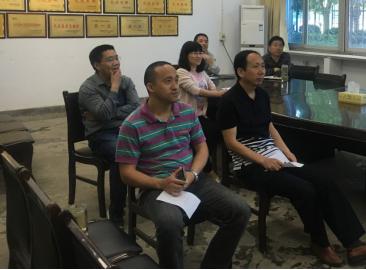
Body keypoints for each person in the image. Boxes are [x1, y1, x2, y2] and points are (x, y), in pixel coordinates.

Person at [217, 51, 366, 267]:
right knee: (304, 190)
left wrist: (286, 151)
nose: (262, 71)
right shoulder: (229, 101)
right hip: (250, 165)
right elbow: (231, 143)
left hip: (274, 156)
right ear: (240, 71)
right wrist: (263, 161)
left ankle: (354, 244)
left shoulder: (261, 94)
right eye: (256, 67)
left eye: (262, 65)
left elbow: (270, 127)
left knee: (325, 182)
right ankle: (320, 243)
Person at [116, 62, 251, 269]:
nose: (175, 86)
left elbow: (202, 149)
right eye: (167, 81)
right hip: (155, 188)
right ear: (150, 87)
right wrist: (160, 183)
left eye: (176, 80)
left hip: (192, 180)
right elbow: (126, 174)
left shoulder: (187, 112)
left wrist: (193, 174)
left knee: (240, 210)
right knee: (170, 223)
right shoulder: (132, 125)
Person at [78, 45, 141, 228]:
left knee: (153, 143)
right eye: (110, 59)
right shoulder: (88, 88)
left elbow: (136, 108)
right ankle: (116, 211)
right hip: (101, 135)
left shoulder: (127, 81)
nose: (116, 62)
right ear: (97, 65)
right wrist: (114, 87)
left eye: (116, 57)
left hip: (126, 129)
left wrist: (112, 114)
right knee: (120, 154)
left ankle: (149, 196)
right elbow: (103, 114)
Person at [177, 41, 227, 182]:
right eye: (195, 53)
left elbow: (211, 84)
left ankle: (199, 162)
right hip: (186, 116)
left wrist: (213, 90)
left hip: (200, 115)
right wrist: (217, 94)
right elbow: (194, 90)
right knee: (213, 131)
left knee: (220, 127)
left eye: (200, 53)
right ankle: (206, 168)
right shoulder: (181, 72)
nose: (199, 56)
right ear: (186, 55)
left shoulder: (202, 72)